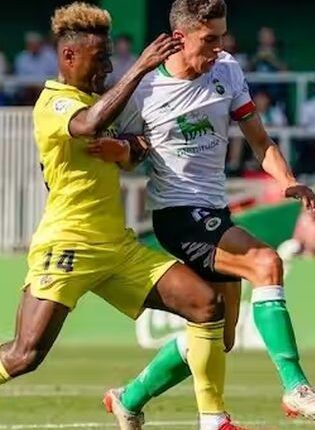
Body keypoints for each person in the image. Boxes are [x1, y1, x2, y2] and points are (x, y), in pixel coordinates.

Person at [101, 1, 315, 427]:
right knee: (267, 262)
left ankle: (129, 397)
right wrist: (125, 152)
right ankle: (295, 386)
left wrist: (287, 179)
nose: (218, 47)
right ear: (180, 37)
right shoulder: (143, 91)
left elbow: (259, 140)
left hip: (214, 213)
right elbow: (122, 155)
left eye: (222, 37)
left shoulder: (226, 70)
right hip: (176, 215)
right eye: (209, 39)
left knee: (218, 336)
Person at [0, 4, 237, 430]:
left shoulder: (101, 101)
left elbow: (135, 145)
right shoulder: (55, 102)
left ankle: (213, 420)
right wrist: (142, 66)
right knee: (24, 356)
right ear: (70, 57)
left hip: (117, 248)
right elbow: (89, 124)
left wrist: (132, 148)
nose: (108, 68)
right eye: (100, 59)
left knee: (207, 305)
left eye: (111, 59)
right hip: (67, 246)